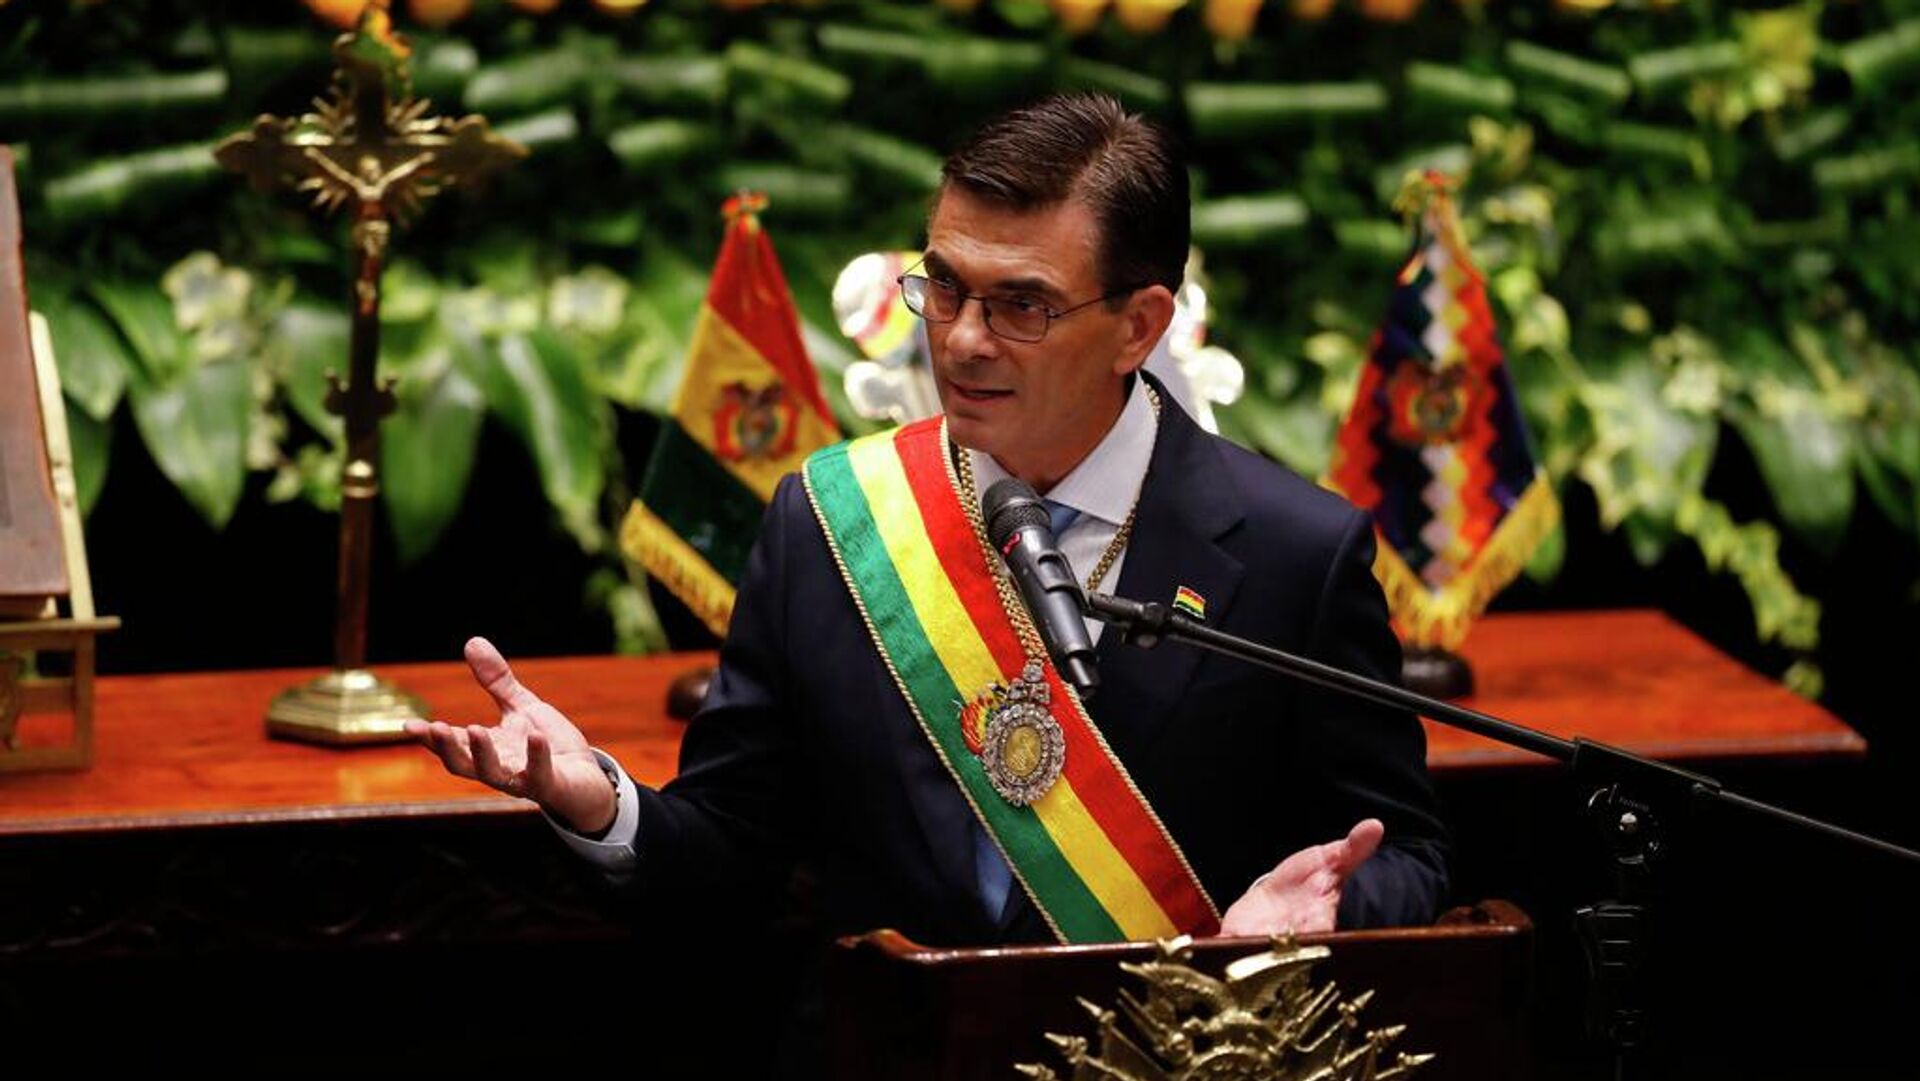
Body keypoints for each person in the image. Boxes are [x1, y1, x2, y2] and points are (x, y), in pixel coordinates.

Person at [406, 94, 1447, 949]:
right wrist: (600, 801)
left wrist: (1321, 910)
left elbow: (1407, 855)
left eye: (1021, 304)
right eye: (943, 287)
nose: (961, 340)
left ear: (1139, 325)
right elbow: (730, 850)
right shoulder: (830, 522)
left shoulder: (1293, 552)